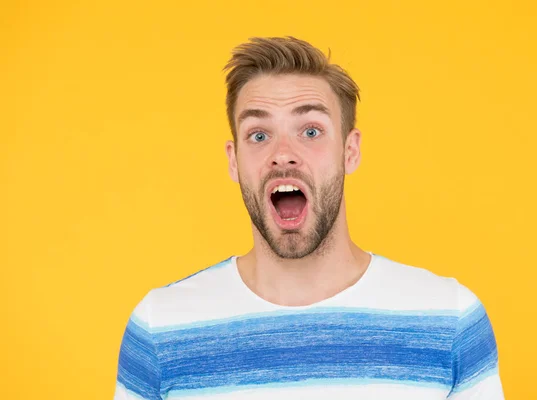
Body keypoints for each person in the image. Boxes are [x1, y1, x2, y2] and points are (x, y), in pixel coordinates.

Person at [114, 36, 504, 399]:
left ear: (350, 151)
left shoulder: (450, 320)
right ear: (234, 161)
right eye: (259, 135)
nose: (283, 153)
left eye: (311, 131)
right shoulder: (161, 328)